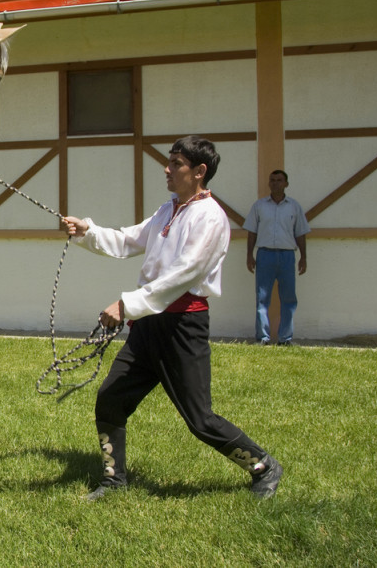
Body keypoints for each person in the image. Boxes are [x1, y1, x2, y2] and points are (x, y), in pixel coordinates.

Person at [62, 135, 282, 501]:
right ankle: (114, 481)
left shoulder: (211, 218)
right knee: (111, 398)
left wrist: (125, 305)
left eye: (176, 163)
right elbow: (130, 240)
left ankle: (263, 465)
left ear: (199, 172)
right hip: (148, 324)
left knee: (200, 419)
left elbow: (183, 275)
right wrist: (90, 232)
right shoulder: (169, 210)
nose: (167, 168)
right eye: (169, 161)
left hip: (182, 327)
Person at [243, 170, 310, 345]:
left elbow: (301, 233)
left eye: (279, 180)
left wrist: (304, 257)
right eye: (272, 180)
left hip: (287, 256)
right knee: (262, 297)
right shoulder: (259, 206)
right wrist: (249, 255)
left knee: (288, 298)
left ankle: (285, 338)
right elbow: (252, 232)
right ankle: (263, 338)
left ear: (286, 184)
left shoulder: (294, 207)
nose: (275, 183)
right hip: (265, 255)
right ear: (269, 183)